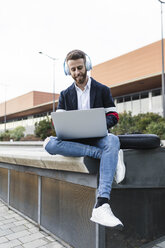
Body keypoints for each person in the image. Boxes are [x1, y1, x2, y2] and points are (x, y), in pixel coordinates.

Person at [44, 49, 124, 228]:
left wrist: (99, 124)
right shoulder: (65, 94)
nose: (76, 73)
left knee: (112, 141)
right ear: (68, 71)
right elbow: (60, 122)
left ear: (87, 66)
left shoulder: (102, 89)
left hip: (97, 136)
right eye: (72, 70)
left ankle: (102, 203)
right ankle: (103, 155)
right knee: (49, 144)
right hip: (76, 140)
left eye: (79, 68)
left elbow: (114, 116)